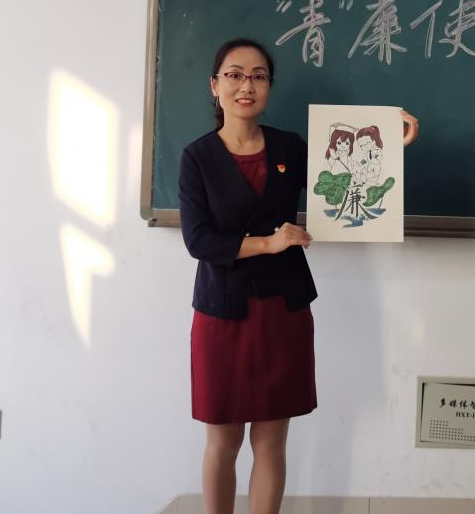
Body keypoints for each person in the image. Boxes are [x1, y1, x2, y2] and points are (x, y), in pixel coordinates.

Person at [177, 37, 419, 514]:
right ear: (214, 85)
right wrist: (269, 242)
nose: (246, 86)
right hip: (222, 311)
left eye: (258, 76)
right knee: (223, 440)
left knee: (271, 440)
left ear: (269, 87)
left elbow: (344, 183)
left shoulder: (289, 147)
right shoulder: (197, 157)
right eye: (234, 75)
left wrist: (392, 146)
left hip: (282, 308)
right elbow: (199, 242)